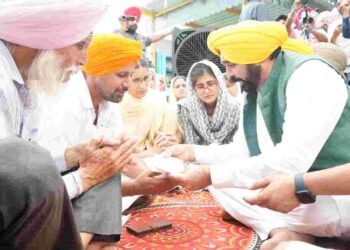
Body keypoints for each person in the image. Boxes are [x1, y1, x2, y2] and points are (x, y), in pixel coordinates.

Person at [163, 21, 350, 250]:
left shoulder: (311, 75)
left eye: (231, 65)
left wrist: (211, 174)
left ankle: (302, 233)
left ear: (256, 58)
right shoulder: (256, 89)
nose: (228, 76)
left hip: (332, 195)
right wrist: (194, 152)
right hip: (300, 195)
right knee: (222, 185)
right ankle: (284, 230)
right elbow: (243, 150)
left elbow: (291, 161)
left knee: (223, 179)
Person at [0, 0, 110, 248]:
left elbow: (22, 175)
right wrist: (84, 178)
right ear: (45, 35)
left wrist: (71, 157)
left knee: (106, 168)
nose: (85, 60)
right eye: (80, 45)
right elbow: (19, 183)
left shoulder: (27, 86)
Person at [38, 34, 141, 248]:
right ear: (97, 70)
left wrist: (155, 178)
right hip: (50, 188)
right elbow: (47, 169)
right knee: (107, 170)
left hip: (81, 188)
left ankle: (93, 243)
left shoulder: (109, 105)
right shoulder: (65, 102)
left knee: (109, 167)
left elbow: (120, 154)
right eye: (122, 75)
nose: (127, 84)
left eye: (130, 76)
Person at [120, 59, 179, 152]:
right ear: (126, 79)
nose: (143, 85)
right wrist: (151, 152)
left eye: (146, 79)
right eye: (136, 80)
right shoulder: (117, 103)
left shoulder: (156, 100)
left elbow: (170, 137)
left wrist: (163, 139)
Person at [178, 60, 240, 145]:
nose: (206, 91)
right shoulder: (187, 108)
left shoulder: (235, 107)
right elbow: (190, 143)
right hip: (195, 155)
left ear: (219, 83)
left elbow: (238, 143)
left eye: (210, 84)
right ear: (193, 88)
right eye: (200, 86)